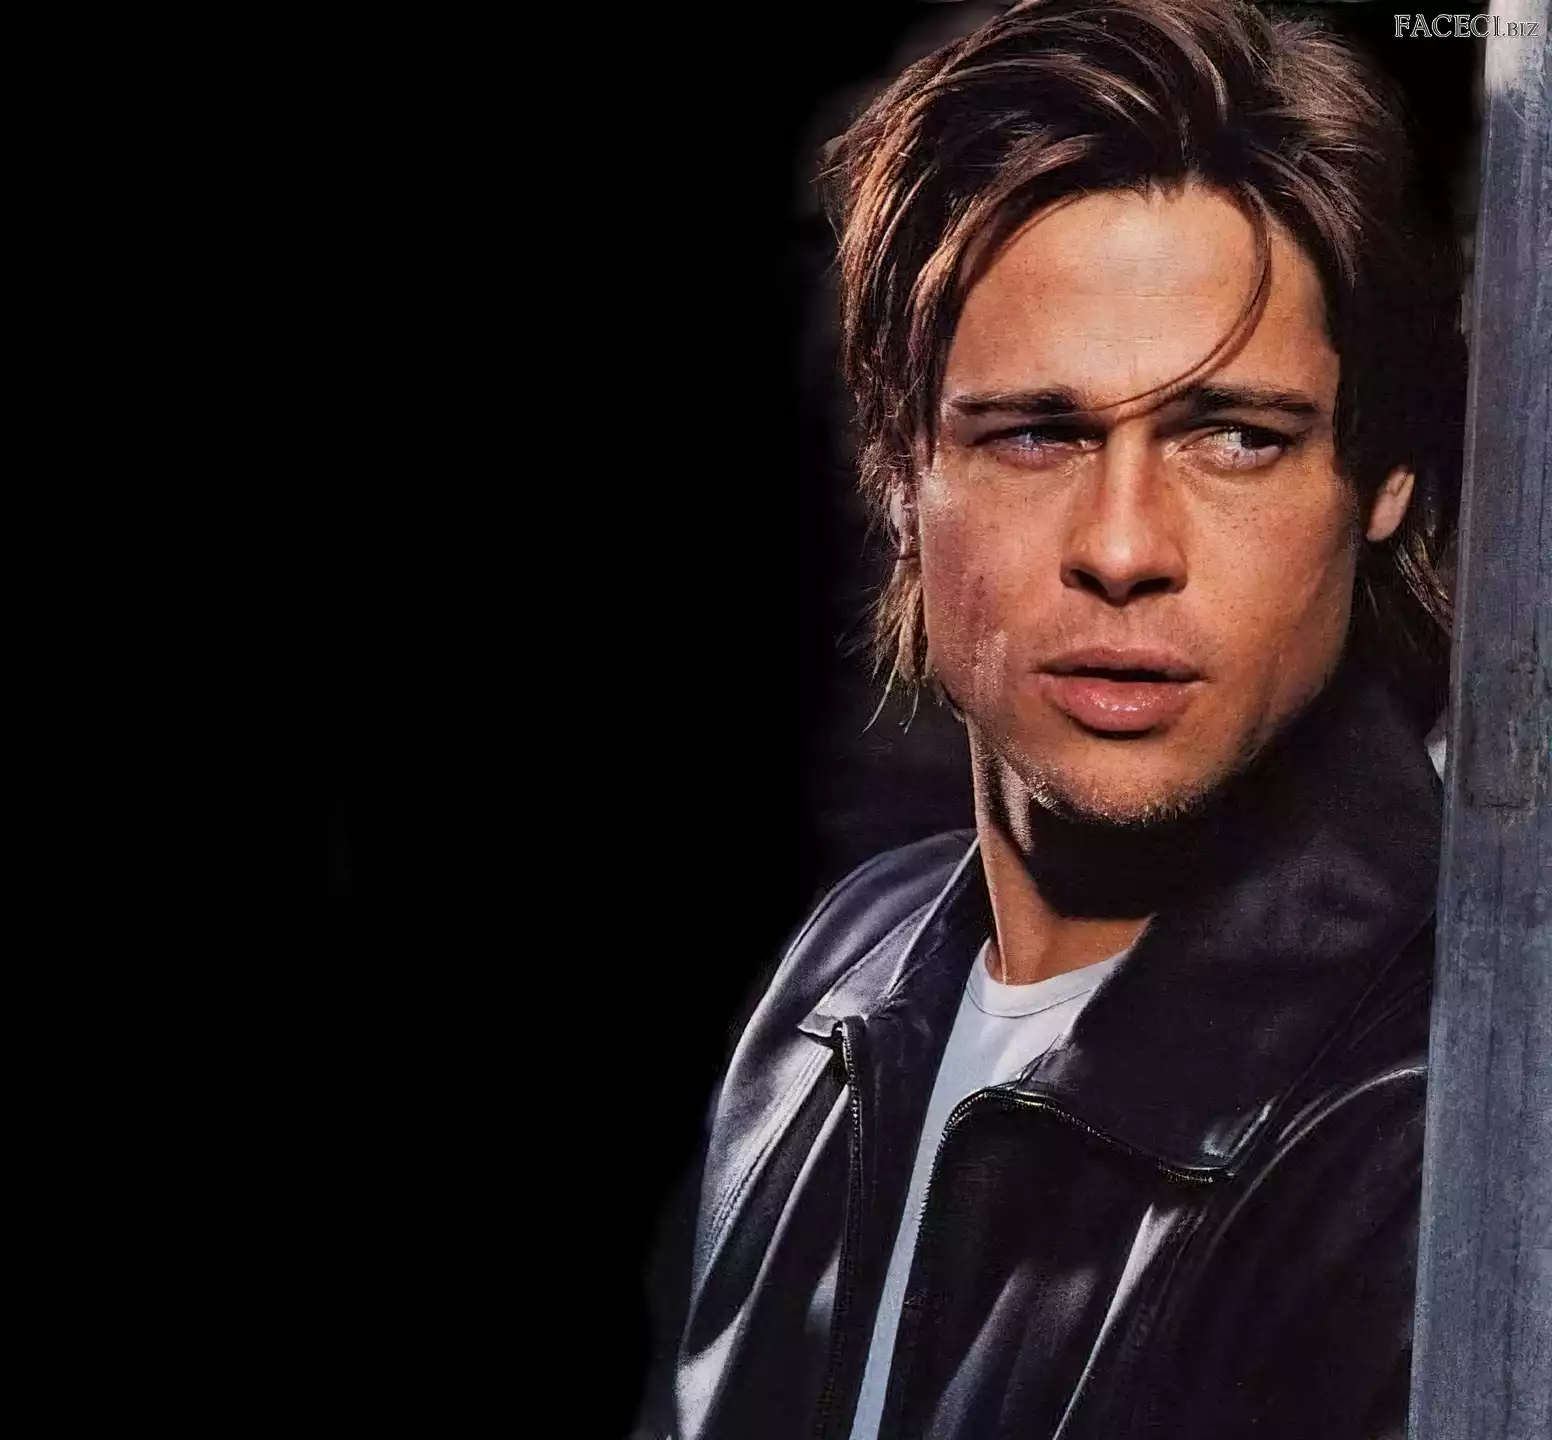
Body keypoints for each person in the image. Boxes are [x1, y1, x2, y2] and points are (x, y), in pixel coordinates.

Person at [635, 2, 1466, 1436]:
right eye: (1039, 433)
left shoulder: (1458, 1118)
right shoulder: (845, 972)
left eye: (1235, 437)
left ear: (1380, 480)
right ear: (902, 469)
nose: (1124, 547)